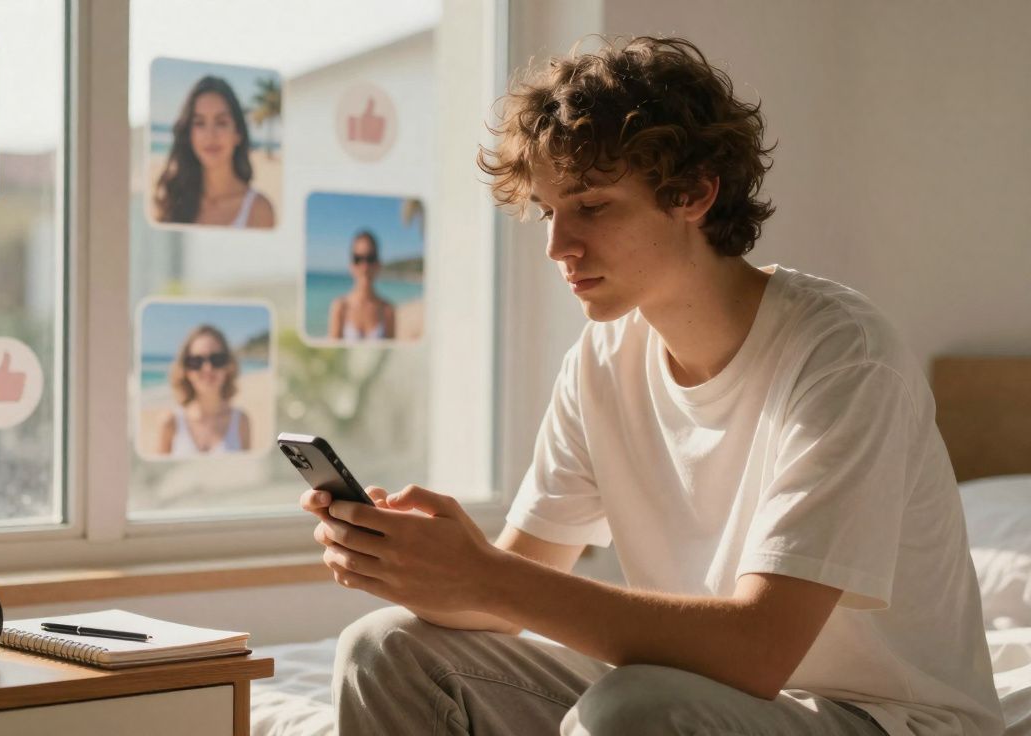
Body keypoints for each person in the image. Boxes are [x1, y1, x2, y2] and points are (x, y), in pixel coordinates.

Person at [302, 36, 1003, 736]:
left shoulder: (844, 356)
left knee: (632, 708)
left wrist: (486, 576)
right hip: (698, 697)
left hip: (883, 720)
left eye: (591, 206)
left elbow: (759, 649)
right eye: (549, 211)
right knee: (383, 649)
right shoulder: (602, 360)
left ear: (694, 193)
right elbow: (504, 593)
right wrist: (412, 561)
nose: (558, 246)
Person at [152, 75, 275, 229]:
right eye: (200, 123)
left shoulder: (259, 210)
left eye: (221, 123)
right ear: (189, 134)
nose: (210, 135)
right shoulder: (171, 201)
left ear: (238, 133)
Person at [154, 325, 252, 456]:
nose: (207, 368)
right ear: (185, 370)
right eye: (196, 361)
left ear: (228, 366)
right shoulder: (169, 423)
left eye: (216, 359)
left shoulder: (241, 421)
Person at [326, 229, 397, 341]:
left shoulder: (388, 311)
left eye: (370, 259)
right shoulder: (340, 307)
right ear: (351, 265)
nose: (365, 267)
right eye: (358, 259)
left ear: (378, 264)